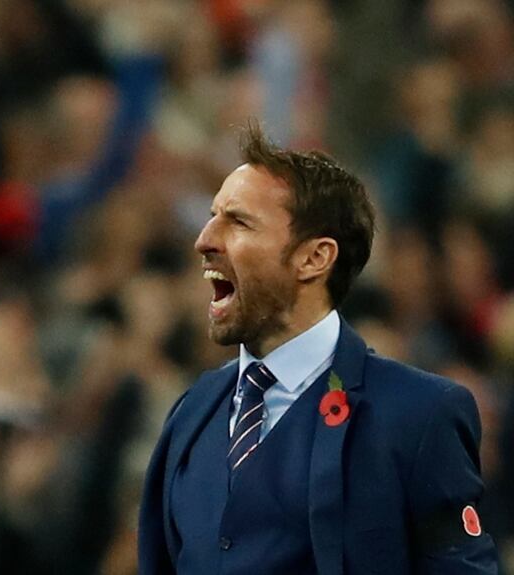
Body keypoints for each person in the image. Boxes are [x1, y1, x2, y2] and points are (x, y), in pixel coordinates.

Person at [138, 123, 499, 574]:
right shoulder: (190, 414)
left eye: (239, 222)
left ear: (314, 258)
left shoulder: (419, 416)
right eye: (213, 217)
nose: (204, 240)